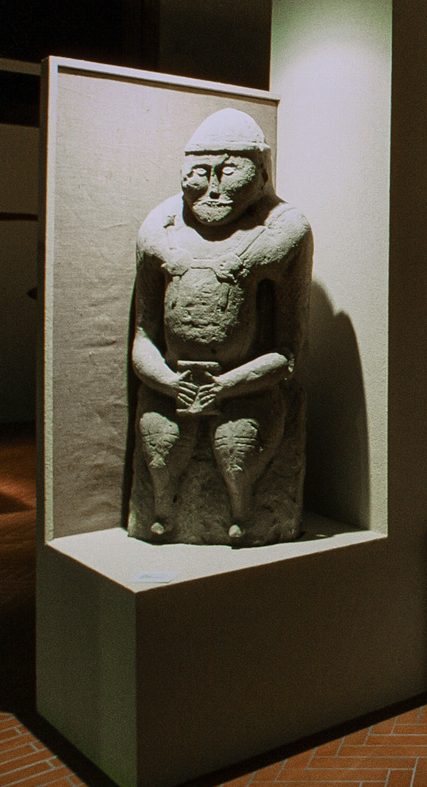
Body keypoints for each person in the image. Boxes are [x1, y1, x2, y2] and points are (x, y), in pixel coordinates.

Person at [130, 108, 311, 543]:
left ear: (261, 174)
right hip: (169, 384)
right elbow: (143, 336)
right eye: (199, 172)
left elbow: (289, 352)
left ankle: (245, 511)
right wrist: (170, 383)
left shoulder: (283, 229)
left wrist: (228, 386)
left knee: (237, 449)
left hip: (246, 388)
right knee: (161, 448)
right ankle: (161, 510)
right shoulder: (161, 227)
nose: (212, 188)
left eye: (228, 172)